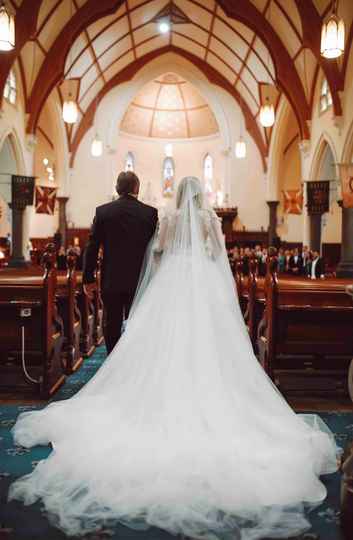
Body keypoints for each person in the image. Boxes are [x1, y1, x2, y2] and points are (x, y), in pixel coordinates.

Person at [8, 177, 338, 540]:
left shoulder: (170, 216)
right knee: (209, 342)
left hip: (174, 281)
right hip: (203, 283)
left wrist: (163, 264)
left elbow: (159, 250)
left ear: (180, 195)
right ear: (203, 196)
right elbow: (215, 254)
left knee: (163, 339)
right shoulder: (211, 219)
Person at [82, 171, 158, 353]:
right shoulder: (150, 213)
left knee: (111, 324)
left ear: (117, 188)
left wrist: (88, 278)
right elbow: (155, 249)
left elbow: (91, 247)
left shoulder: (103, 212)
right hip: (140, 279)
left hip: (112, 278)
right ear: (137, 188)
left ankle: (112, 361)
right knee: (138, 322)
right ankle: (134, 361)